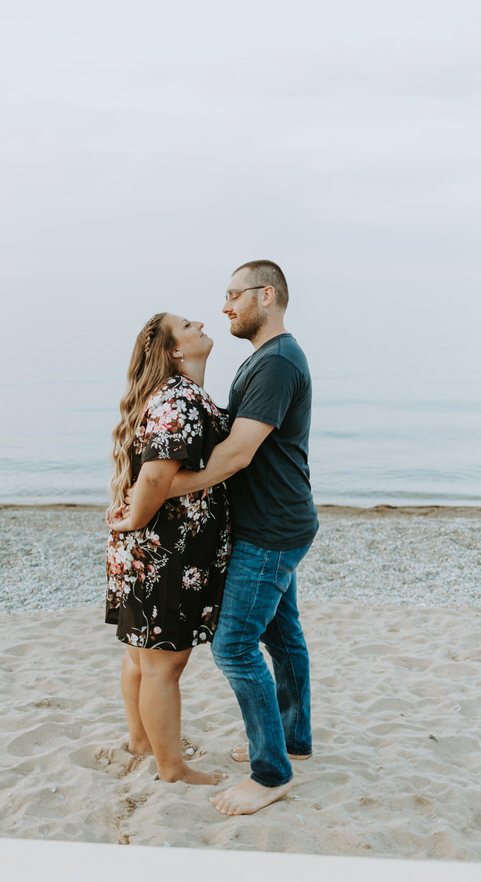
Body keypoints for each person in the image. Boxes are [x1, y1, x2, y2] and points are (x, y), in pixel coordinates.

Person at [163, 260, 319, 815]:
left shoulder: (276, 363)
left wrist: (171, 488)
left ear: (267, 295)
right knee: (284, 637)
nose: (224, 305)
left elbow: (239, 451)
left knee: (233, 647)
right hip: (282, 519)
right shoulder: (266, 358)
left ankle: (271, 772)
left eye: (234, 294)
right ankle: (292, 741)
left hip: (271, 530)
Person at [105, 311, 231, 786]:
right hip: (163, 550)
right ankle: (171, 769)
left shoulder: (179, 394)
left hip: (150, 548)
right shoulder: (177, 398)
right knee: (164, 663)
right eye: (186, 325)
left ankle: (141, 741)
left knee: (142, 656)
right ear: (175, 351)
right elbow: (157, 475)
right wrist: (135, 519)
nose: (199, 322)